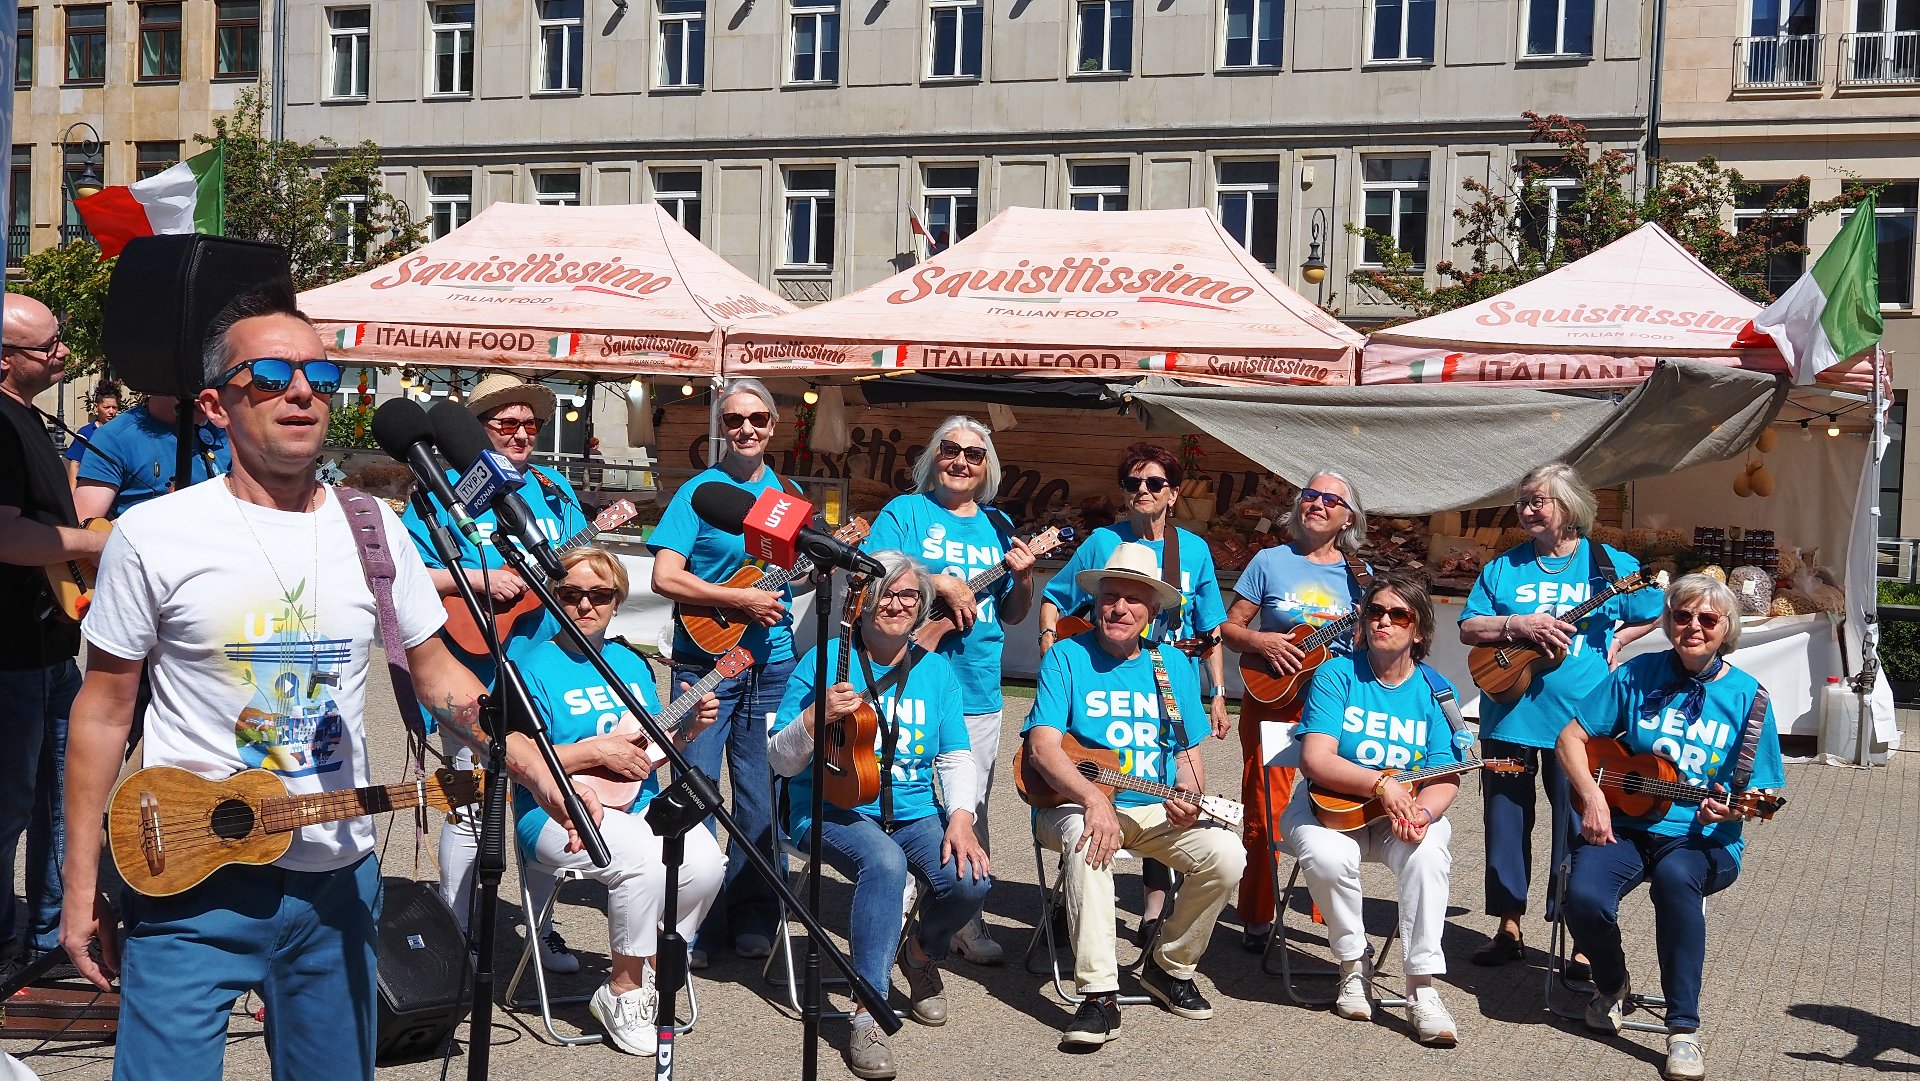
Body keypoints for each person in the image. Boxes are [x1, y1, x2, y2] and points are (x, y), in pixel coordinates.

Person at [57, 285, 600, 1081]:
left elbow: (439, 672)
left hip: (339, 882)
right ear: (215, 404)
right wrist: (79, 885)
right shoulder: (155, 532)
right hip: (193, 875)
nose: (303, 389)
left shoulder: (373, 526)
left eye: (320, 371)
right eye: (270, 374)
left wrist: (529, 756)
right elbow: (101, 714)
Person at [769, 551, 990, 1081]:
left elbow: (955, 753)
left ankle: (918, 953)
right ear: (860, 601)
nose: (895, 603)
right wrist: (814, 715)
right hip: (826, 807)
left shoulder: (935, 670)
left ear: (922, 607)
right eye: (884, 592)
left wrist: (961, 818)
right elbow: (778, 756)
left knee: (970, 881)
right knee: (886, 865)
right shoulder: (822, 659)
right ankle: (866, 1012)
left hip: (912, 809)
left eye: (908, 595)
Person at [1556, 574, 1783, 1081]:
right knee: (1584, 896)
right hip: (1627, 825)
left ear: (1727, 628)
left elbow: (1763, 794)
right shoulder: (1637, 673)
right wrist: (1592, 797)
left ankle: (1682, 1030)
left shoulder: (1751, 698)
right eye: (1682, 616)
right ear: (1668, 622)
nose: (1694, 627)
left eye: (1708, 619)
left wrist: (1733, 809)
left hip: (1702, 838)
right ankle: (1613, 985)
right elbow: (1571, 736)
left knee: (1679, 881)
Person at [399, 372, 590, 969]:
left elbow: (577, 566)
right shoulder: (438, 493)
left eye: (531, 425)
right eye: (507, 424)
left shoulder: (554, 490)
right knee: (470, 799)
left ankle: (542, 927)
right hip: (467, 662)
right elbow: (407, 576)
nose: (522, 435)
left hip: (539, 659)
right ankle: (458, 927)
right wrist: (479, 579)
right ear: (477, 431)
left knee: (542, 794)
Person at [1021, 543, 1244, 1051]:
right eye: (1110, 597)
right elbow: (1042, 747)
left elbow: (1187, 756)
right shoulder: (1066, 656)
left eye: (1132, 600)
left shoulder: (1172, 667)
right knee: (1087, 834)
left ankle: (1169, 967)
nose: (1119, 609)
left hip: (1150, 807)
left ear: (1152, 611)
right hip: (1070, 806)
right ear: (1096, 602)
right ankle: (1099, 994)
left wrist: (1190, 797)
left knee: (1229, 854)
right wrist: (1092, 798)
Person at [515, 546, 724, 1058]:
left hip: (636, 804)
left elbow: (642, 754)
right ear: (553, 596)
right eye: (571, 594)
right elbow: (514, 753)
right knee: (645, 863)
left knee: (707, 860)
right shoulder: (529, 666)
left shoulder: (630, 662)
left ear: (616, 602)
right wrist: (590, 751)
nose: (585, 605)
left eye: (600, 595)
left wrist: (687, 731)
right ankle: (622, 990)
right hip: (556, 812)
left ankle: (652, 969)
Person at [1459, 463, 1660, 970]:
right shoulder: (1505, 567)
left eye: (1537, 501)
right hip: (1509, 713)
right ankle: (1508, 924)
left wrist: (1620, 638)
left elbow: (1657, 607)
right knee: (1505, 820)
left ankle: (1580, 932)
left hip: (1582, 722)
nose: (1527, 510)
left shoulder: (1609, 565)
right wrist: (1515, 623)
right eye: (1523, 501)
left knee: (1579, 823)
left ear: (1569, 506)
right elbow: (1468, 627)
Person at [1039, 441, 1229, 946]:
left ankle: (1154, 915)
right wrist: (1050, 646)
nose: (1141, 492)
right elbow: (1056, 597)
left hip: (1171, 673)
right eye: (1132, 483)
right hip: (1104, 664)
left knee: (1161, 776)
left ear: (1174, 493)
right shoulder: (1104, 542)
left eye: (1153, 483)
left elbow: (1209, 626)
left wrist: (1216, 691)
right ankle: (1071, 901)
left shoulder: (1194, 549)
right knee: (1098, 765)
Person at [865, 415, 1035, 965]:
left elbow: (1011, 612)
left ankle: (963, 916)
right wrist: (938, 581)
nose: (961, 461)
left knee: (972, 802)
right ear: (933, 458)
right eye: (950, 450)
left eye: (974, 454)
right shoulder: (905, 512)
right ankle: (892, 906)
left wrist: (1025, 576)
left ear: (988, 469)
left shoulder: (998, 523)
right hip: (904, 673)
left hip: (977, 683)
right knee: (901, 790)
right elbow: (873, 570)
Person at [649, 376, 801, 967]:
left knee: (760, 795)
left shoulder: (784, 494)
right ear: (721, 425)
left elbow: (785, 576)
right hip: (705, 658)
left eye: (757, 419)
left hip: (772, 661)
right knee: (695, 785)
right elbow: (665, 576)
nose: (747, 430)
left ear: (773, 425)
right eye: (735, 419)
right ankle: (693, 923)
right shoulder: (699, 491)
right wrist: (737, 601)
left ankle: (754, 913)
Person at [1284, 569, 1463, 1046]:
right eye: (1375, 611)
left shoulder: (1437, 691)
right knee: (1327, 856)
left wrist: (1423, 814)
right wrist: (1382, 784)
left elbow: (1446, 775)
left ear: (1419, 629)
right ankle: (1352, 961)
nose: (1384, 621)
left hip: (1399, 816)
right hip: (1328, 807)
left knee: (1429, 854)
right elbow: (1316, 759)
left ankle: (1421, 988)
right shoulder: (1337, 674)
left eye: (1398, 614)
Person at [0, 297, 109, 974]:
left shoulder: (28, 419)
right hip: (8, 654)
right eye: (48, 347)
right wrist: (102, 543)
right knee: (10, 807)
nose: (62, 353)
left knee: (63, 803)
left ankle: (44, 936)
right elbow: (7, 533)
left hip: (47, 648)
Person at [1218, 469, 1368, 953]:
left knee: (1339, 806)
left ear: (1348, 518)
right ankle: (1258, 913)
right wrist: (1260, 638)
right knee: (1265, 808)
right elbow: (1228, 628)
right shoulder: (1268, 561)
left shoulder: (1359, 577)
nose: (1317, 504)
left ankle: (1333, 918)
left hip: (1336, 704)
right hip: (1273, 700)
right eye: (1311, 495)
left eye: (1330, 499)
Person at [72, 390, 229, 519]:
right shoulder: (115, 437)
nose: (208, 397)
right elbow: (86, 531)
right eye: (196, 387)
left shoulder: (227, 430)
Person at [63, 381, 120, 487]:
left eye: (114, 407)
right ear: (96, 407)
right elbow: (75, 465)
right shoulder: (85, 433)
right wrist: (72, 495)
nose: (111, 411)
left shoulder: (122, 433)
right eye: (106, 407)